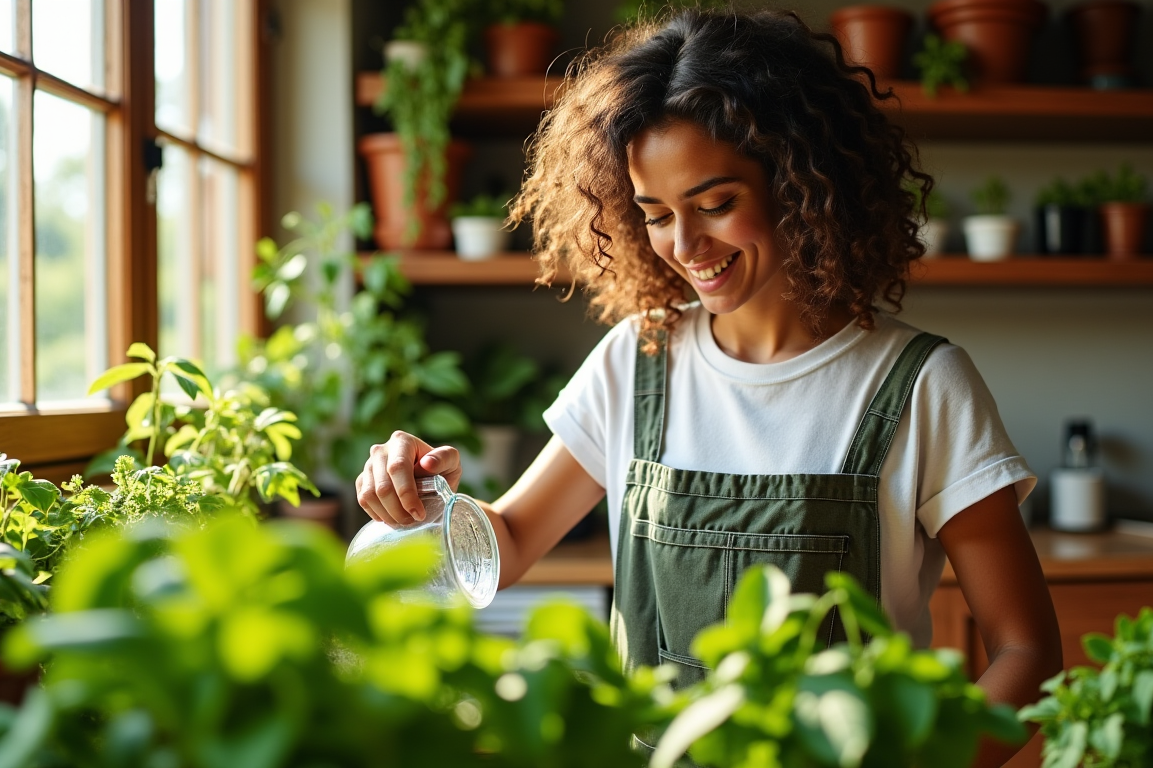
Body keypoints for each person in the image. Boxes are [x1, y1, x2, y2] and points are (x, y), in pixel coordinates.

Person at [357, 8, 1061, 766]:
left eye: (716, 204)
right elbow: (513, 539)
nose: (684, 247)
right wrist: (423, 501)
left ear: (799, 182)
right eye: (655, 214)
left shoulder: (921, 386)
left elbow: (1028, 652)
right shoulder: (638, 359)